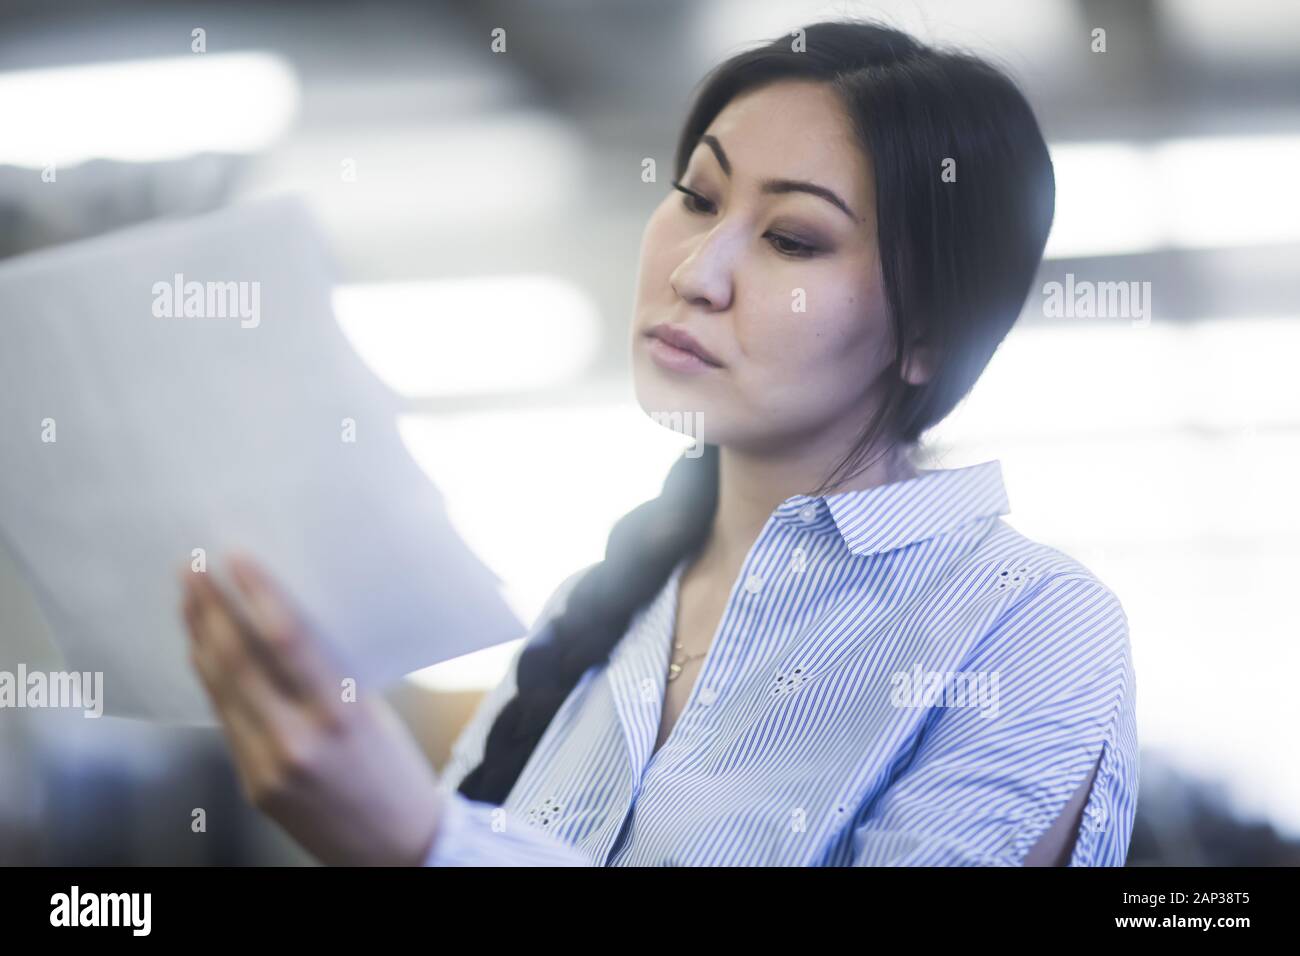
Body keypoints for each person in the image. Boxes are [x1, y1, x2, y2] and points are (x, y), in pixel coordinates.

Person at [179, 19, 1137, 866]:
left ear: (929, 332)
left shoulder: (1030, 627)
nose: (696, 270)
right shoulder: (596, 609)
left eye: (793, 239)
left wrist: (418, 844)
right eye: (698, 195)